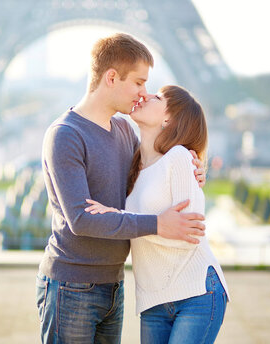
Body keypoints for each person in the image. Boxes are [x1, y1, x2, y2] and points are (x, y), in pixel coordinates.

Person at [37, 33, 207, 344]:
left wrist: (193, 164)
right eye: (139, 82)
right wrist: (158, 224)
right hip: (70, 287)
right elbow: (82, 220)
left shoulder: (125, 132)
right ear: (112, 77)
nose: (144, 93)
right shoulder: (65, 135)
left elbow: (157, 171)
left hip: (113, 285)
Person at [85, 85, 230, 344]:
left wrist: (120, 218)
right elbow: (138, 227)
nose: (146, 95)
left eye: (158, 97)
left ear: (168, 119)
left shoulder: (179, 158)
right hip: (153, 302)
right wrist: (126, 220)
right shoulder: (133, 165)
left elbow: (188, 233)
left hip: (197, 293)